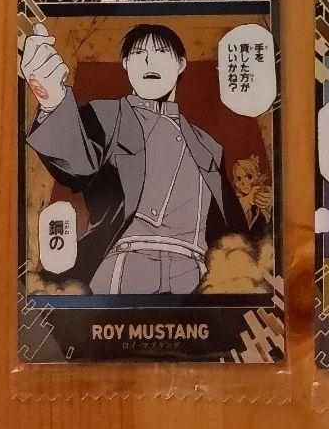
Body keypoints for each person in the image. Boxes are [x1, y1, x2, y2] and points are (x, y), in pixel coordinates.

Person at [20, 21, 245, 294]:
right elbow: (77, 162)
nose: (149, 61)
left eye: (161, 52)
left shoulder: (207, 145)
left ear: (181, 64)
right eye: (139, 53)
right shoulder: (108, 115)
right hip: (124, 265)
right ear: (126, 64)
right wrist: (53, 99)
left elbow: (231, 225)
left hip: (194, 273)